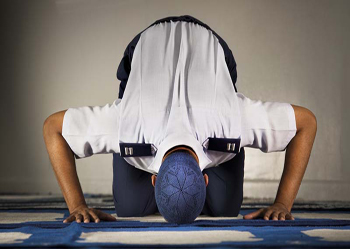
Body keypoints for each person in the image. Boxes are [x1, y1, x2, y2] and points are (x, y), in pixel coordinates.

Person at [43, 15, 317, 224]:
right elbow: (52, 128)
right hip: (147, 55)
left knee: (224, 210)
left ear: (153, 180)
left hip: (209, 60)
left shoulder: (233, 120)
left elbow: (306, 123)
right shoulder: (125, 125)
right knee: (130, 210)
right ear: (205, 180)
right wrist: (76, 204)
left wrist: (284, 203)